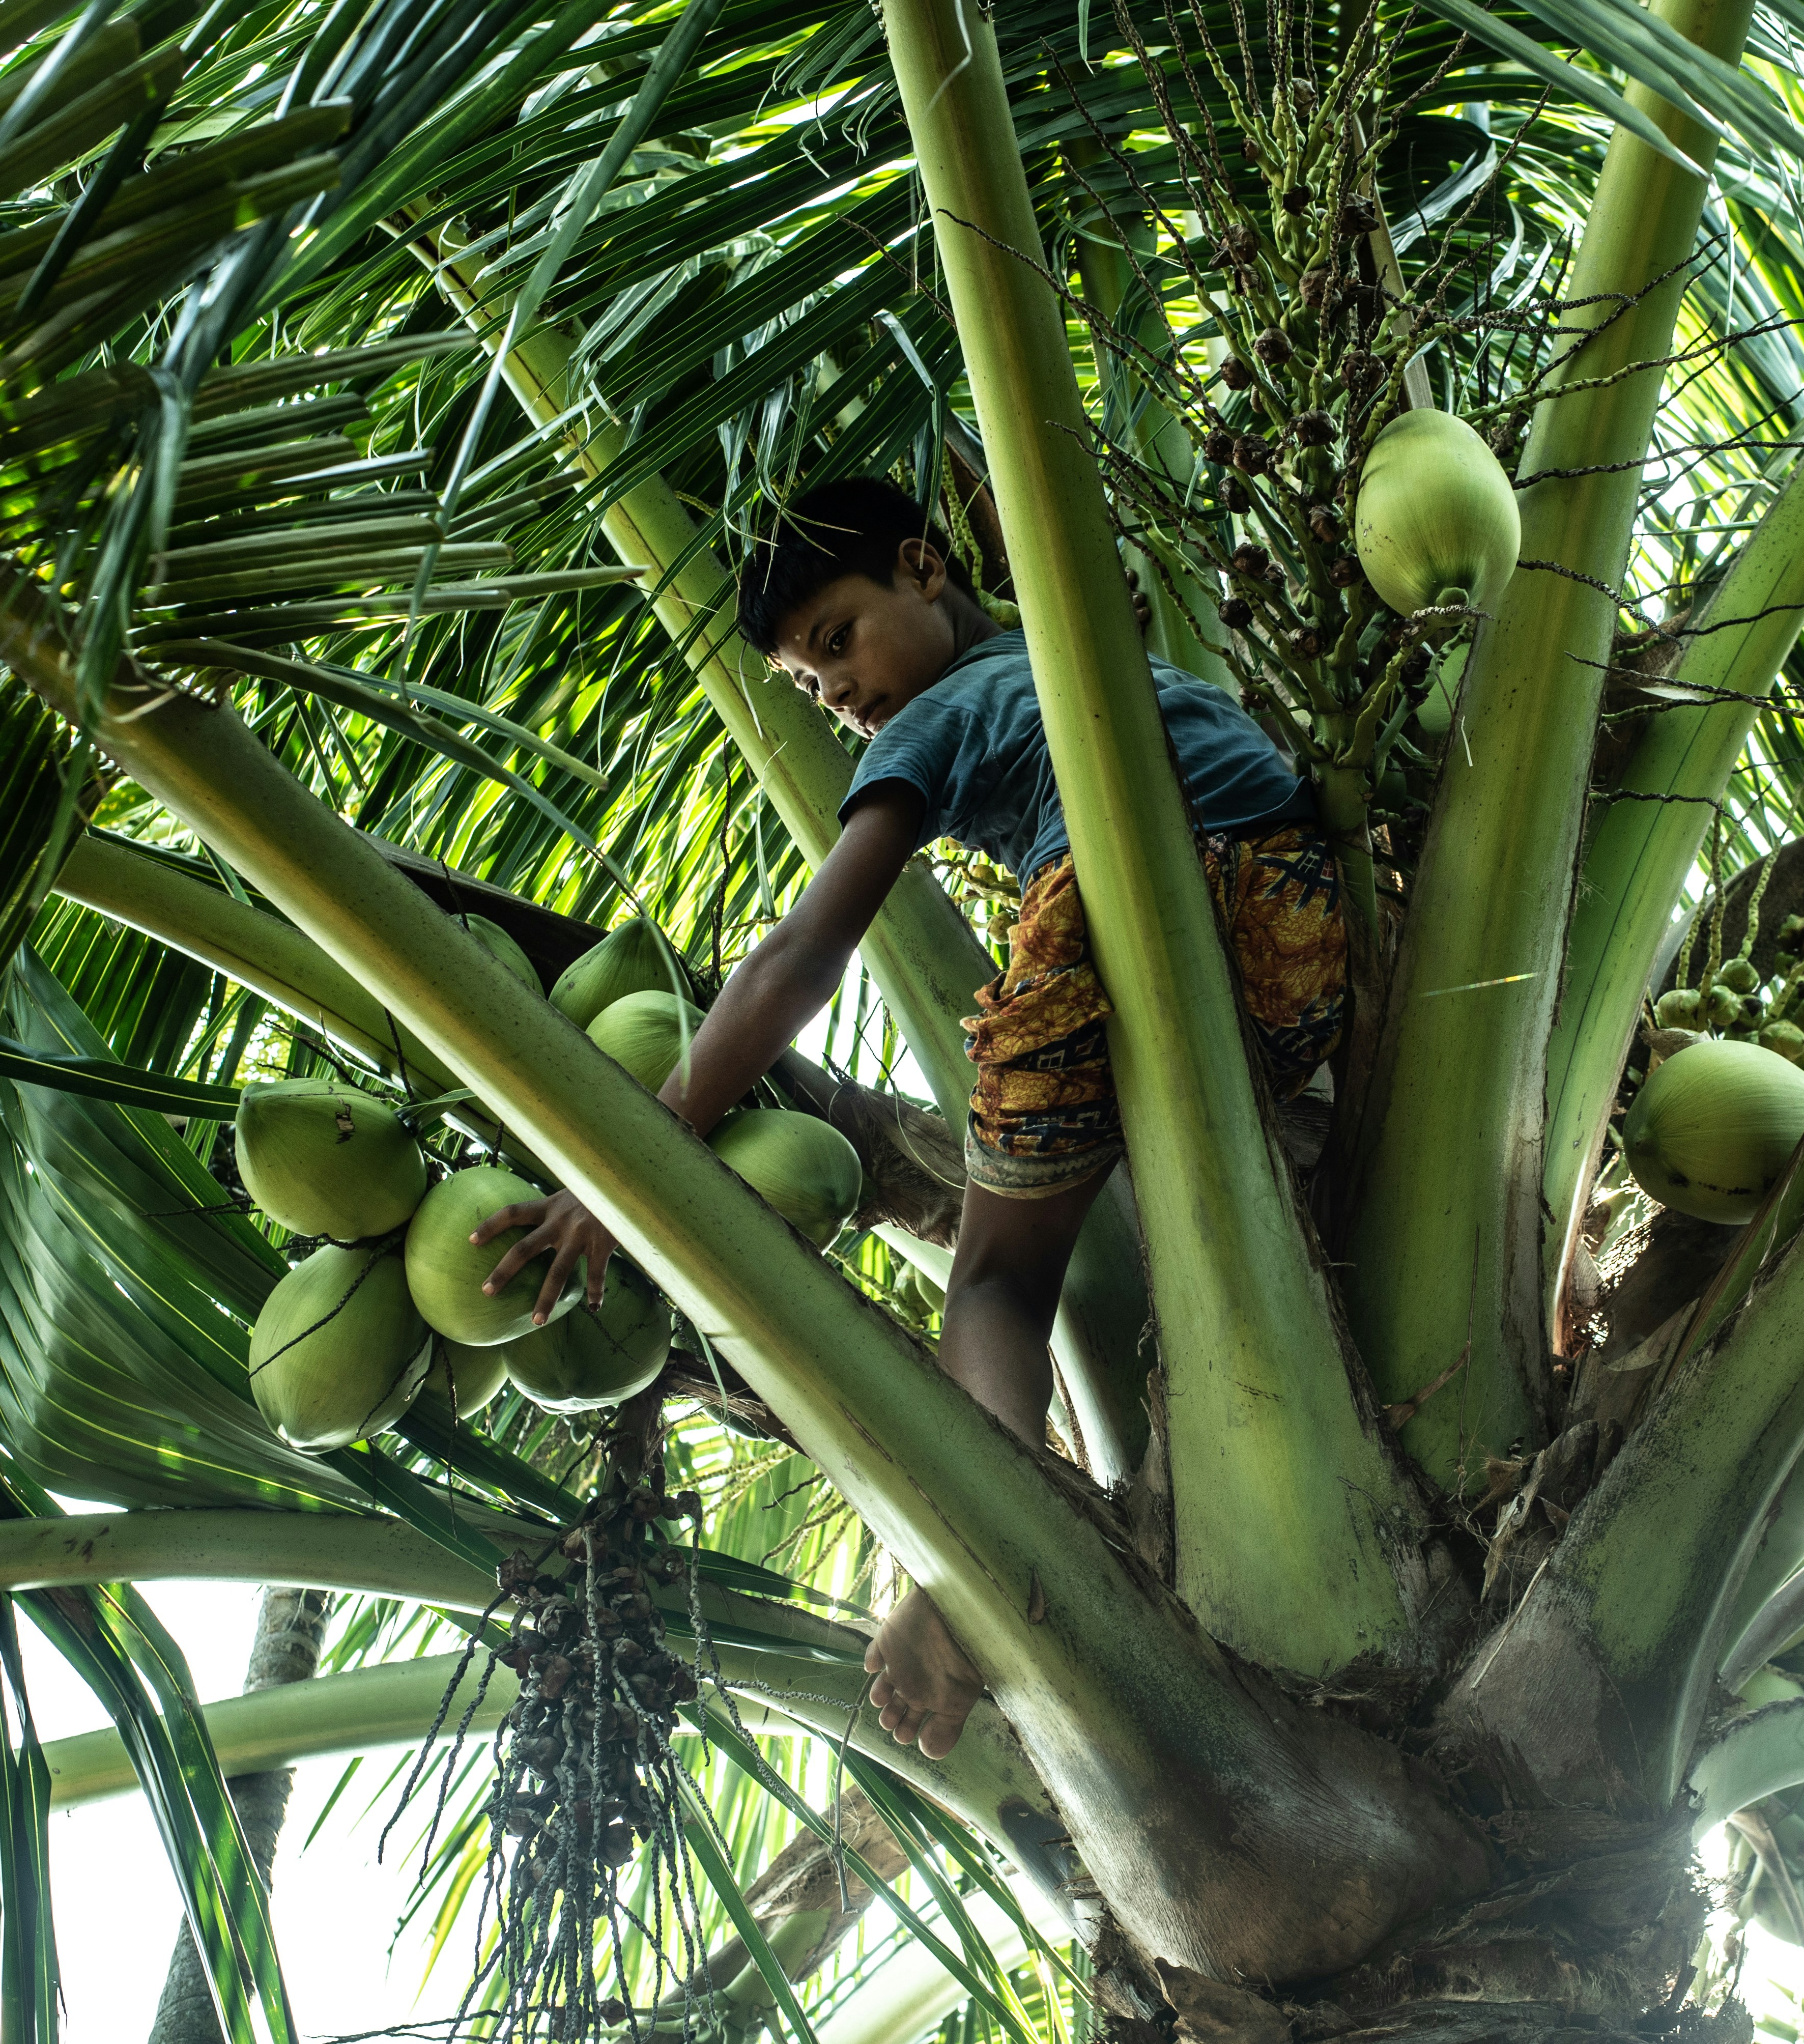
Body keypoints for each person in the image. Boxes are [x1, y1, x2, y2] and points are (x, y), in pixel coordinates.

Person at [473, 476, 1349, 1758]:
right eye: (810, 685)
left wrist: (623, 1170)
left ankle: (983, 1574)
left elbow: (802, 956)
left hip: (1105, 913)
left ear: (923, 566)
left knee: (995, 1282)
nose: (840, 693)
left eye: (838, 639)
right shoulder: (1092, 658)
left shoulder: (934, 722)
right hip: (1299, 925)